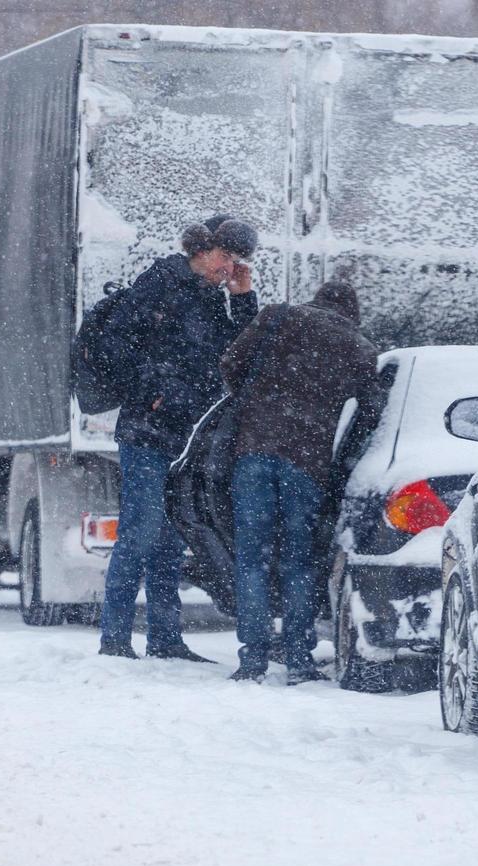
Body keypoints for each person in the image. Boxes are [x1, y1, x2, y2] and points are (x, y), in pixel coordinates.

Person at [98, 215, 260, 661]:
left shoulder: (211, 297)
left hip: (185, 435)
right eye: (225, 257)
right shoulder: (162, 281)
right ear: (202, 248)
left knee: (169, 536)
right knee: (139, 530)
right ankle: (114, 638)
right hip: (147, 429)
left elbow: (237, 353)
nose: (228, 267)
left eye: (236, 261)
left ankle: (165, 639)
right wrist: (153, 390)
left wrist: (243, 300)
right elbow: (118, 343)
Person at [220, 281, 381, 684]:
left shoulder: (276, 317)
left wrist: (260, 402)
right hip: (307, 463)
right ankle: (298, 658)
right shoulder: (358, 346)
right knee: (299, 561)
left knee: (252, 559)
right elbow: (369, 412)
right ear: (353, 311)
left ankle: (253, 658)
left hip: (254, 451)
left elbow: (230, 364)